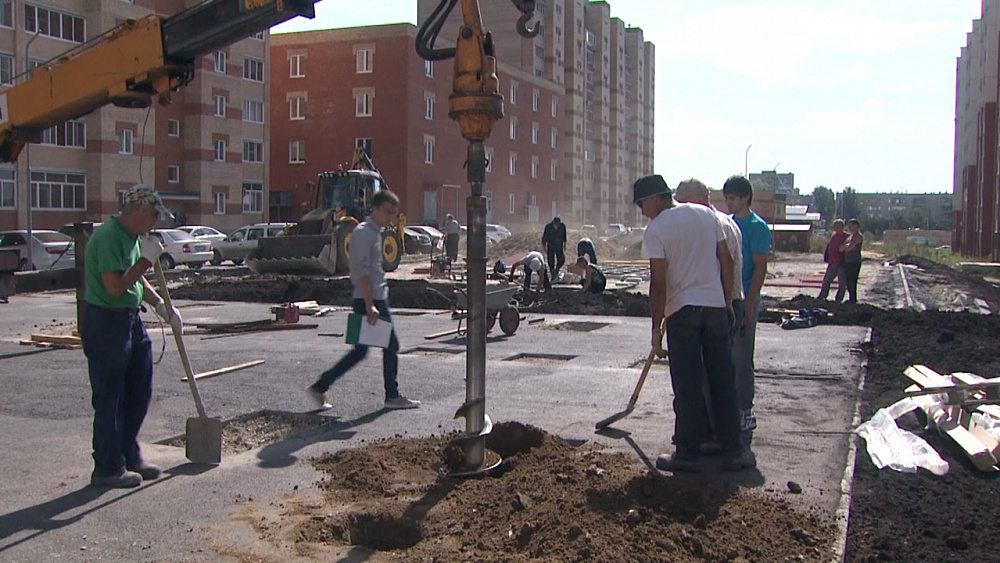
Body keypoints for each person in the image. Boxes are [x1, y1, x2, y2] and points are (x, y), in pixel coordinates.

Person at [635, 174, 753, 473]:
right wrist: (726, 302)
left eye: (641, 204)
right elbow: (726, 261)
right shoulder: (706, 215)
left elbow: (658, 284)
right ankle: (733, 450)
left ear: (654, 199)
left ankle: (688, 453)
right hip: (714, 308)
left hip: (682, 313)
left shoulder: (657, 229)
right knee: (722, 380)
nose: (640, 211)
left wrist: (655, 327)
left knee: (687, 384)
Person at [81, 184, 182, 488]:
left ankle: (129, 454)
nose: (156, 222)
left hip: (130, 318)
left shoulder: (133, 238)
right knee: (111, 397)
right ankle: (108, 467)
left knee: (140, 389)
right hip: (106, 322)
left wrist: (160, 306)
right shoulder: (109, 237)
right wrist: (145, 262)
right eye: (153, 215)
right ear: (137, 210)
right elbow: (115, 286)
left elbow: (136, 282)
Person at [309, 189, 420, 411]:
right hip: (370, 300)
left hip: (374, 299)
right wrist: (370, 305)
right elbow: (361, 271)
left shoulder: (374, 232)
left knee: (363, 350)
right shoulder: (363, 233)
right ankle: (392, 395)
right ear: (376, 209)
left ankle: (321, 386)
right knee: (388, 346)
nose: (391, 217)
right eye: (388, 212)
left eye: (394, 213)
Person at [723, 175, 772, 450]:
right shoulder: (727, 224)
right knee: (724, 357)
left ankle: (745, 409)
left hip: (744, 299)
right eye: (727, 198)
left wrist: (750, 303)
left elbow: (760, 268)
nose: (729, 202)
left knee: (742, 358)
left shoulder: (757, 228)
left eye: (733, 198)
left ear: (745, 198)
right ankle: (727, 408)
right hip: (725, 298)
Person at [818, 219, 849, 301]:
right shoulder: (833, 236)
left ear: (841, 227)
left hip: (841, 263)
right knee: (827, 280)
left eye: (836, 226)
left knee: (842, 283)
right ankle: (822, 296)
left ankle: (838, 299)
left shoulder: (846, 236)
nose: (834, 228)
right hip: (832, 262)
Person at [840, 218, 864, 303]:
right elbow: (841, 248)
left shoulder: (858, 236)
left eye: (852, 226)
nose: (850, 228)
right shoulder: (850, 237)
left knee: (852, 281)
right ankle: (851, 298)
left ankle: (853, 299)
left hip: (854, 261)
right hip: (848, 261)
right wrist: (847, 246)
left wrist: (847, 247)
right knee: (848, 281)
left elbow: (849, 248)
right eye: (849, 226)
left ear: (857, 226)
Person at [541, 216, 567, 282]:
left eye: (558, 225)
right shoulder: (548, 227)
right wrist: (544, 246)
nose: (557, 227)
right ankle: (553, 275)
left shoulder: (562, 226)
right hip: (551, 246)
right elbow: (544, 237)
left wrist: (565, 245)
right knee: (550, 261)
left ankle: (556, 270)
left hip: (559, 245)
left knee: (561, 259)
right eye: (556, 225)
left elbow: (564, 236)